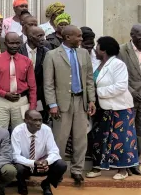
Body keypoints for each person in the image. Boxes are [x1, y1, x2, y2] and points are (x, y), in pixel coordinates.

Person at [43, 25, 96, 185]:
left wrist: (91, 99)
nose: (81, 39)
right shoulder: (52, 55)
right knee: (60, 138)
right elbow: (48, 83)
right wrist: (52, 104)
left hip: (81, 101)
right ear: (67, 38)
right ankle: (58, 170)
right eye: (78, 37)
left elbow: (88, 79)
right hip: (61, 103)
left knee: (81, 138)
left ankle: (77, 170)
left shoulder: (84, 53)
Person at [86, 36, 139, 180]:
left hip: (119, 107)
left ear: (103, 50)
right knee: (99, 138)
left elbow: (121, 86)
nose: (95, 49)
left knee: (121, 139)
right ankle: (97, 167)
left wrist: (98, 93)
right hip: (102, 109)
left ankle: (123, 170)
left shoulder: (117, 64)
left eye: (97, 46)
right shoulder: (96, 64)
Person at [0, 33, 37, 130]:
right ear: (5, 44)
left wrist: (33, 106)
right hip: (1, 100)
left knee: (21, 130)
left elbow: (32, 86)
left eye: (17, 43)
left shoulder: (27, 61)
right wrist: (4, 94)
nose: (14, 46)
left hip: (21, 100)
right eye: (11, 43)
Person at [11, 110, 67, 195]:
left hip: (42, 165)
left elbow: (54, 151)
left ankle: (46, 184)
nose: (38, 123)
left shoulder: (46, 130)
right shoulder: (17, 131)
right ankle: (21, 184)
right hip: (26, 165)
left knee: (61, 165)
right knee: (17, 167)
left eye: (40, 120)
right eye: (35, 120)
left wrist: (46, 161)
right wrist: (33, 163)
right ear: (26, 121)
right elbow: (15, 156)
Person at [117, 24, 141, 154]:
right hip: (127, 98)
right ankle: (128, 158)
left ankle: (138, 157)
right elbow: (117, 76)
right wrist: (132, 91)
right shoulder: (121, 51)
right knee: (127, 129)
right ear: (132, 36)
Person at [20, 26, 50, 122]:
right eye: (39, 36)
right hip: (22, 95)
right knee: (23, 121)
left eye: (43, 36)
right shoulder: (19, 51)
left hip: (39, 95)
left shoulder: (46, 52)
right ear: (30, 37)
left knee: (38, 120)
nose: (43, 39)